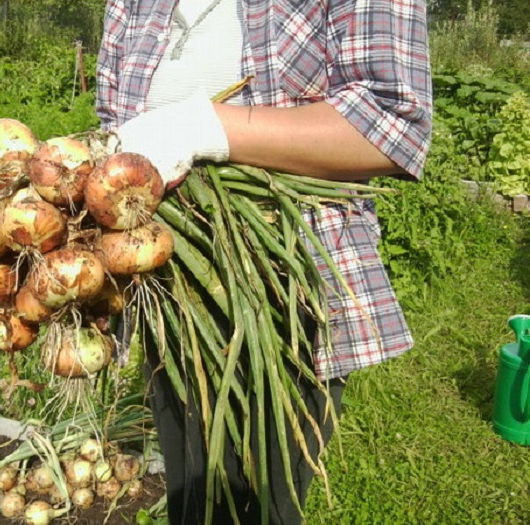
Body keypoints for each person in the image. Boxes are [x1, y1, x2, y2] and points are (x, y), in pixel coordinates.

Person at [95, 1, 432, 523]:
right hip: (168, 287)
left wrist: (204, 128)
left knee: (268, 503)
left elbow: (389, 122)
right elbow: (114, 130)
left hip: (283, 286)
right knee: (193, 498)